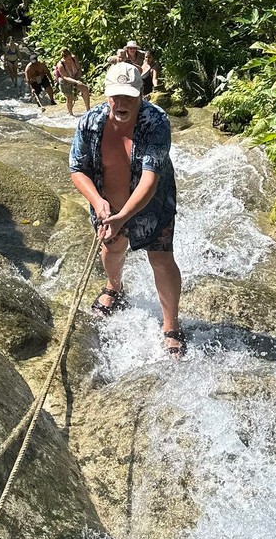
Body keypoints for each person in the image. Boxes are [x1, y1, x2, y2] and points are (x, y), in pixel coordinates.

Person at [68, 61, 186, 358]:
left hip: (151, 203)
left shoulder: (156, 122)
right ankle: (114, 287)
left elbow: (150, 178)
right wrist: (99, 202)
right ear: (107, 94)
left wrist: (124, 216)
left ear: (141, 94)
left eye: (129, 96)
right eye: (116, 96)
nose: (121, 103)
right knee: (112, 247)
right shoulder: (90, 122)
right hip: (107, 203)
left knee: (161, 258)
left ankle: (171, 325)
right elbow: (77, 169)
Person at [54, 48, 91, 116]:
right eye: (68, 59)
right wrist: (76, 81)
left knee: (85, 89)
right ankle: (71, 114)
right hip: (65, 80)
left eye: (70, 58)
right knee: (69, 97)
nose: (70, 60)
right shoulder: (60, 65)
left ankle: (88, 110)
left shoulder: (74, 58)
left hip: (75, 76)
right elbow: (65, 77)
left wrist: (79, 77)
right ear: (64, 58)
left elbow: (79, 68)